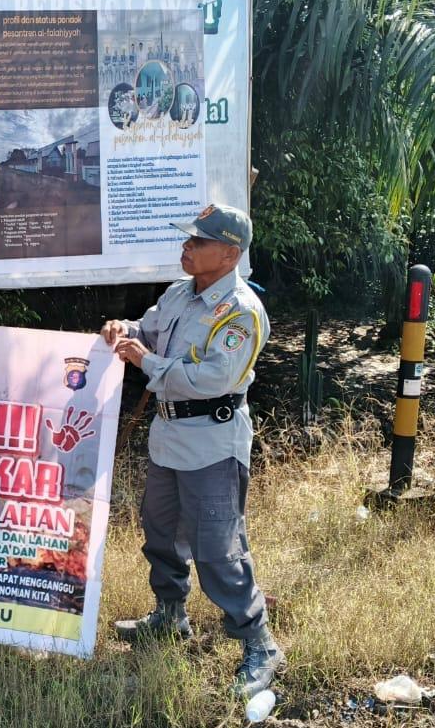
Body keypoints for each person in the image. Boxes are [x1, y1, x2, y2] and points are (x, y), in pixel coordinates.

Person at [100, 204, 284, 701]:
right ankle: (170, 615)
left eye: (199, 241)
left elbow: (213, 379)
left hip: (212, 443)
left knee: (218, 550)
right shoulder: (181, 292)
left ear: (229, 254)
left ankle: (259, 644)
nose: (187, 247)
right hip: (169, 437)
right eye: (189, 239)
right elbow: (148, 329)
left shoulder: (241, 311)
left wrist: (147, 362)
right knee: (160, 532)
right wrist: (123, 329)